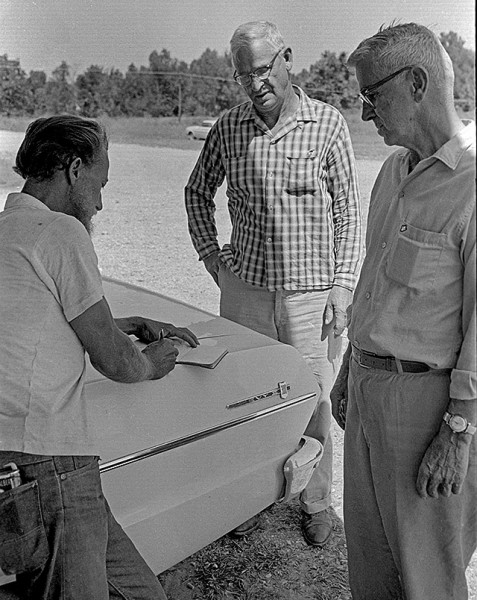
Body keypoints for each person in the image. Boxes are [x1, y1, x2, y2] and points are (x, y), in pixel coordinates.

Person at [0, 115, 199, 600]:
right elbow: (116, 362)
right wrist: (153, 362)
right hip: (50, 469)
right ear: (73, 168)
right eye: (100, 183)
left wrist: (119, 324)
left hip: (20, 470)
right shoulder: (61, 233)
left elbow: (29, 323)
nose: (101, 202)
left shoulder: (9, 230)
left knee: (141, 592)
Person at [185, 21, 362, 546]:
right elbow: (197, 192)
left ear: (287, 58)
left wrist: (343, 285)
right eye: (244, 76)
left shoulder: (328, 124)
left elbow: (350, 212)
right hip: (245, 291)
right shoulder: (229, 126)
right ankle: (246, 500)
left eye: (263, 70)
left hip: (311, 297)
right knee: (242, 397)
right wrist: (213, 259)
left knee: (314, 400)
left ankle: (317, 503)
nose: (256, 84)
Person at [330, 23, 476, 599]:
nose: (365, 114)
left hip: (427, 407)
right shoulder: (393, 172)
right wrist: (348, 370)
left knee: (426, 578)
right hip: (368, 388)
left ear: (417, 82)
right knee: (369, 566)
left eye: (372, 96)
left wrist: (459, 428)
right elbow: (374, 285)